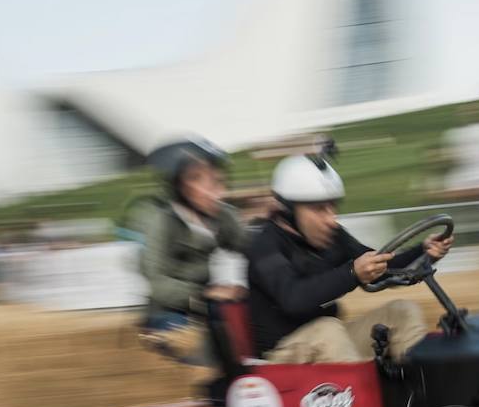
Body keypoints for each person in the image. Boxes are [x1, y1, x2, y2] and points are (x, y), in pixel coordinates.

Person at [246, 151, 454, 363]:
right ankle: (364, 394)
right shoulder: (265, 246)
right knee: (328, 330)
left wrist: (423, 251)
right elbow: (294, 299)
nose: (331, 219)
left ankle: (417, 390)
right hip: (280, 358)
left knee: (402, 311)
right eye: (319, 209)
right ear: (288, 211)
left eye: (332, 206)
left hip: (328, 341)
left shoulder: (332, 235)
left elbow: (379, 267)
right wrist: (352, 273)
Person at [128, 137, 250, 360]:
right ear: (180, 186)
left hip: (207, 307)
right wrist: (202, 294)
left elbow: (250, 247)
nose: (215, 191)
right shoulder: (161, 221)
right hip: (169, 311)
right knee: (195, 349)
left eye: (217, 181)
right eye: (198, 179)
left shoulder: (223, 216)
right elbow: (157, 283)